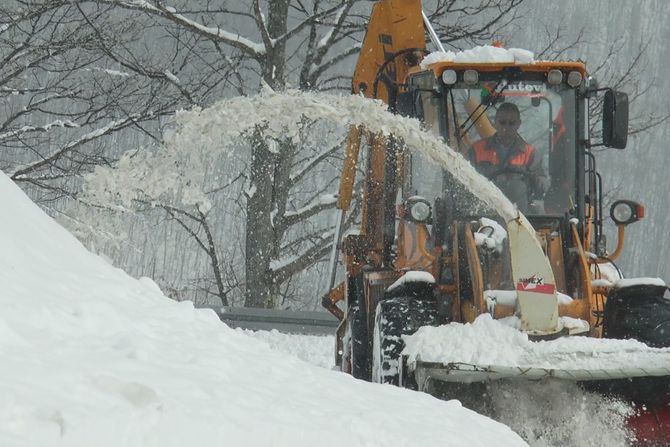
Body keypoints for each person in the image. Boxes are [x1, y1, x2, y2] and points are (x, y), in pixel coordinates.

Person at [469, 102, 548, 213]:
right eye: (502, 123)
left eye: (511, 123)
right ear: (495, 123)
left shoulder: (530, 154)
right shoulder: (477, 150)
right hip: (486, 214)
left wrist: (533, 179)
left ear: (518, 124)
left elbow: (542, 187)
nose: (506, 127)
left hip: (523, 216)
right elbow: (466, 182)